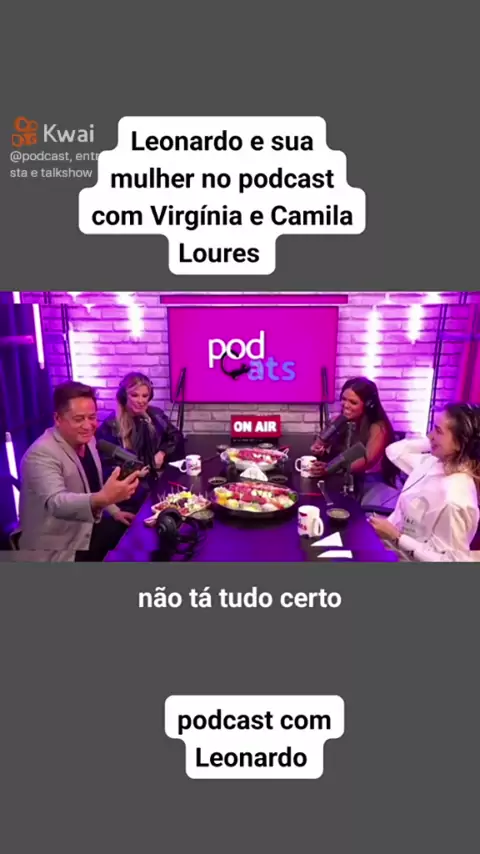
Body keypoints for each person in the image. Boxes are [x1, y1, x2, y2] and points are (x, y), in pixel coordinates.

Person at [19, 381, 140, 562]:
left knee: (138, 537)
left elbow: (93, 486)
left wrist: (114, 510)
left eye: (92, 417)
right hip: (57, 548)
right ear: (57, 419)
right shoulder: (40, 454)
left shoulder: (88, 440)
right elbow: (57, 503)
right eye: (79, 419)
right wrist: (104, 498)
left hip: (86, 528)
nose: (88, 425)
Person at [368, 403, 480, 561]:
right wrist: (435, 442)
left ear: (459, 443)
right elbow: (394, 451)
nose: (429, 435)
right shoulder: (431, 462)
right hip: (388, 547)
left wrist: (397, 537)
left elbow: (451, 564)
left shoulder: (456, 498)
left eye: (438, 431)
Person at [96, 372, 185, 486]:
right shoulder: (110, 426)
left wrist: (163, 452)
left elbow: (176, 436)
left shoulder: (155, 415)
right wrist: (134, 472)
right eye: (134, 395)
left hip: (154, 481)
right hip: (129, 487)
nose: (141, 401)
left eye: (145, 396)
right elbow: (107, 466)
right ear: (124, 397)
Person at [310, 377, 398, 491]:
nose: (346, 405)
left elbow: (368, 461)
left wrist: (330, 468)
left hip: (368, 483)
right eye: (344, 399)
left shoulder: (378, 428)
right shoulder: (340, 419)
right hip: (340, 479)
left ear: (368, 405)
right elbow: (322, 441)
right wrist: (317, 447)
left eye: (353, 402)